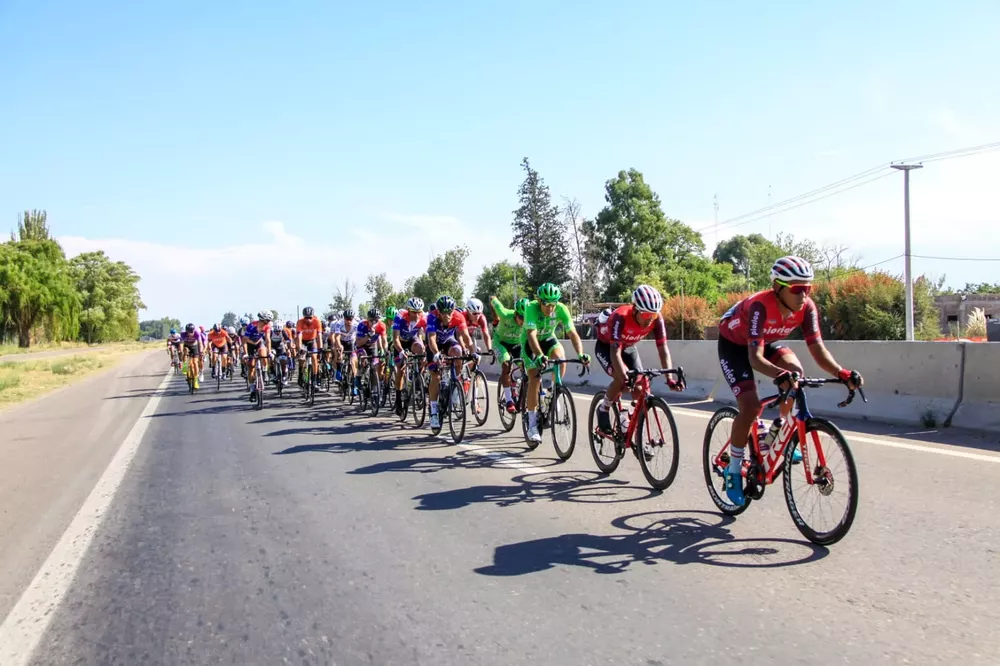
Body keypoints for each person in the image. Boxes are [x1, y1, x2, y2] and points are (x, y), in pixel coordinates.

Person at [717, 255, 863, 506]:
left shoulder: (807, 308)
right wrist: (778, 374)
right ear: (777, 287)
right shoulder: (760, 306)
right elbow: (755, 359)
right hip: (735, 347)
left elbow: (817, 349)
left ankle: (779, 432)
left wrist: (841, 372)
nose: (803, 295)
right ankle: (734, 469)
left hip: (765, 341)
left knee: (795, 371)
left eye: (808, 288)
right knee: (750, 406)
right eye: (797, 289)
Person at [594, 285, 684, 435]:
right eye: (646, 315)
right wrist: (625, 378)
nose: (650, 319)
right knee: (621, 378)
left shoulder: (657, 319)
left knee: (640, 387)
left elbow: (662, 348)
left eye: (653, 315)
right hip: (607, 347)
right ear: (635, 309)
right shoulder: (620, 317)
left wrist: (669, 378)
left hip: (628, 347)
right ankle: (604, 407)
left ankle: (628, 417)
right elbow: (615, 352)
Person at [521, 283, 590, 443]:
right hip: (531, 343)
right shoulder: (531, 308)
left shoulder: (562, 309)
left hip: (548, 339)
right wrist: (539, 355)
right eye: (547, 304)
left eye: (553, 304)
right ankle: (532, 424)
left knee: (560, 358)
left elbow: (572, 333)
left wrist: (580, 354)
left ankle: (553, 393)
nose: (550, 308)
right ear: (540, 301)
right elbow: (531, 335)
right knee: (535, 378)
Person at [426, 295, 474, 430]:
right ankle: (433, 412)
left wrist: (473, 352)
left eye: (449, 312)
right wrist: (436, 354)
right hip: (434, 345)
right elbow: (431, 339)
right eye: (443, 313)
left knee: (458, 353)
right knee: (436, 377)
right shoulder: (432, 317)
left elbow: (466, 337)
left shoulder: (458, 316)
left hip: (448, 341)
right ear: (438, 311)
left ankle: (454, 387)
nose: (447, 316)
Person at [489, 296, 527, 413]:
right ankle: (509, 400)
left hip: (517, 345)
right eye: (521, 317)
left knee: (527, 367)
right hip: (500, 343)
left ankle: (520, 392)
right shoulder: (505, 314)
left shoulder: (529, 322)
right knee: (506, 365)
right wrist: (495, 319)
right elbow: (492, 298)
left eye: (526, 318)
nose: (523, 322)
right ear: (515, 314)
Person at [392, 298, 427, 415]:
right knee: (400, 369)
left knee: (421, 351)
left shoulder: (423, 317)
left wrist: (425, 352)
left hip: (412, 339)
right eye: (414, 312)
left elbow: (424, 336)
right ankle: (398, 398)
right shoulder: (400, 316)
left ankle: (417, 378)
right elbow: (395, 339)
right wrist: (401, 351)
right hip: (400, 342)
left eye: (419, 312)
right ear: (408, 310)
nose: (417, 315)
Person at [296, 306, 323, 389]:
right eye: (306, 318)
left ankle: (315, 378)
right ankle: (300, 375)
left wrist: (320, 348)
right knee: (302, 358)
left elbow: (319, 336)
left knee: (314, 357)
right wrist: (300, 348)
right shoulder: (300, 322)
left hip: (312, 340)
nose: (308, 320)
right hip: (303, 341)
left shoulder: (317, 321)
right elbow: (299, 337)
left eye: (310, 318)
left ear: (313, 316)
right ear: (303, 317)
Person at [178, 323, 204, 388]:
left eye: (192, 332)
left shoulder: (197, 333)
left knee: (195, 363)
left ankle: (195, 380)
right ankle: (185, 366)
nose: (191, 334)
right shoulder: (183, 334)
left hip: (194, 346)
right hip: (186, 345)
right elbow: (181, 344)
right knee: (185, 352)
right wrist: (181, 351)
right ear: (186, 331)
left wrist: (201, 351)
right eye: (189, 333)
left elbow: (200, 343)